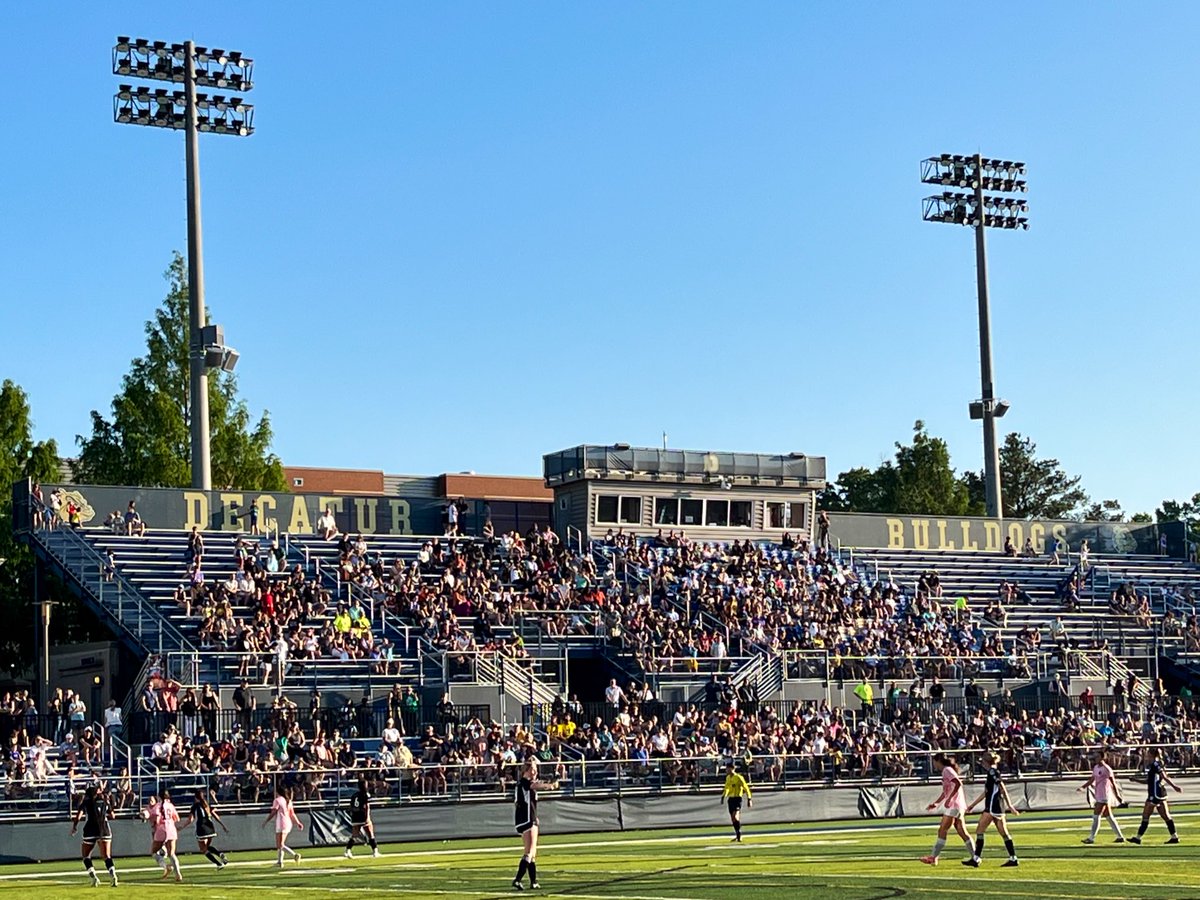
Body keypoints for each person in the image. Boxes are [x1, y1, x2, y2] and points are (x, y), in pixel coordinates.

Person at [963, 751, 1020, 867]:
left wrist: (1010, 805)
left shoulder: (993, 772)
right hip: (997, 806)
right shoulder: (991, 772)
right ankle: (1013, 858)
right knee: (1004, 833)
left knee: (980, 830)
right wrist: (973, 805)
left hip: (993, 806)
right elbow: (986, 792)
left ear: (986, 762)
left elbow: (1002, 787)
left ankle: (976, 858)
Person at [511, 758, 559, 891]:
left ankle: (533, 881)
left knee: (531, 852)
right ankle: (517, 879)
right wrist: (551, 784)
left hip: (523, 819)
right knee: (530, 851)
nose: (535, 772)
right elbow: (538, 785)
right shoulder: (525, 783)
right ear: (527, 771)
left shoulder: (521, 784)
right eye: (533, 769)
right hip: (527, 819)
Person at [920, 753, 976, 865]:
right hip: (957, 804)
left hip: (954, 805)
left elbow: (958, 783)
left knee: (942, 830)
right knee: (961, 831)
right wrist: (937, 803)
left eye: (934, 762)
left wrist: (950, 799)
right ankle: (975, 857)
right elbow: (946, 790)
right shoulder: (947, 771)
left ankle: (933, 857)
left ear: (937, 761)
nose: (933, 765)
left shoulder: (947, 770)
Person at [1128, 748, 1182, 845]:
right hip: (1160, 793)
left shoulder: (1155, 764)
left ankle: (1138, 838)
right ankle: (1174, 836)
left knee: (1146, 815)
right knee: (1166, 816)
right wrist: (1136, 780)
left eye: (1148, 754)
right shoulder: (1156, 765)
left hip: (1155, 794)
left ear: (1152, 755)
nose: (1147, 756)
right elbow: (1150, 781)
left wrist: (1174, 787)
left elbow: (1164, 777)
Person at [70, 784, 118, 887]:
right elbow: (113, 816)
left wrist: (74, 827)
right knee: (107, 856)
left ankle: (94, 878)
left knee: (86, 856)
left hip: (90, 829)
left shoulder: (86, 802)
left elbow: (78, 816)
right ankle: (113, 875)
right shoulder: (105, 801)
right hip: (104, 828)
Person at [1078, 750, 1125, 843]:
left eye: (1097, 757)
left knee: (1096, 816)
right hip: (1098, 794)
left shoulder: (1107, 769)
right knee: (1109, 816)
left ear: (1103, 758)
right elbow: (1092, 779)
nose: (1095, 759)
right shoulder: (1096, 767)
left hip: (1104, 794)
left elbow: (1113, 783)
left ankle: (1091, 838)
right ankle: (1120, 836)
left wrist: (1117, 795)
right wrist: (1083, 787)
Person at [182, 788, 229, 868]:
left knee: (203, 849)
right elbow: (215, 815)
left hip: (201, 827)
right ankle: (220, 854)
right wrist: (223, 825)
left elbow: (190, 819)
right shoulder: (206, 804)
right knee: (206, 847)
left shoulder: (195, 806)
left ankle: (218, 864)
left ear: (195, 797)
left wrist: (181, 826)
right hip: (210, 827)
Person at [263, 784, 303, 866]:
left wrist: (266, 820)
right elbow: (292, 814)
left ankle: (294, 855)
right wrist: (297, 822)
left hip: (281, 822)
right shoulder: (288, 801)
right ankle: (280, 862)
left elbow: (273, 812)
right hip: (287, 823)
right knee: (280, 844)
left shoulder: (277, 800)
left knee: (280, 844)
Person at [344, 776, 381, 859]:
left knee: (354, 835)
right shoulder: (365, 794)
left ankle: (348, 850)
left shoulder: (354, 795)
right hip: (362, 815)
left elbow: (351, 807)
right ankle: (375, 851)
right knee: (370, 833)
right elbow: (367, 806)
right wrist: (367, 817)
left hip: (355, 816)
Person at [155, 787, 183, 882]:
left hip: (161, 829)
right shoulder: (171, 805)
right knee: (171, 853)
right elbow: (176, 818)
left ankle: (165, 866)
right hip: (171, 828)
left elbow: (157, 818)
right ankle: (178, 874)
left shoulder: (158, 805)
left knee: (154, 851)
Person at [721, 764, 753, 842]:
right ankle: (737, 834)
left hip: (737, 798)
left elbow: (746, 787)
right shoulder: (728, 778)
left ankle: (739, 834)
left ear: (732, 769)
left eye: (728, 769)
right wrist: (723, 796)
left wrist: (749, 798)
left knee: (735, 816)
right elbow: (726, 787)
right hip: (731, 799)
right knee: (733, 818)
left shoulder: (738, 777)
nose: (727, 770)